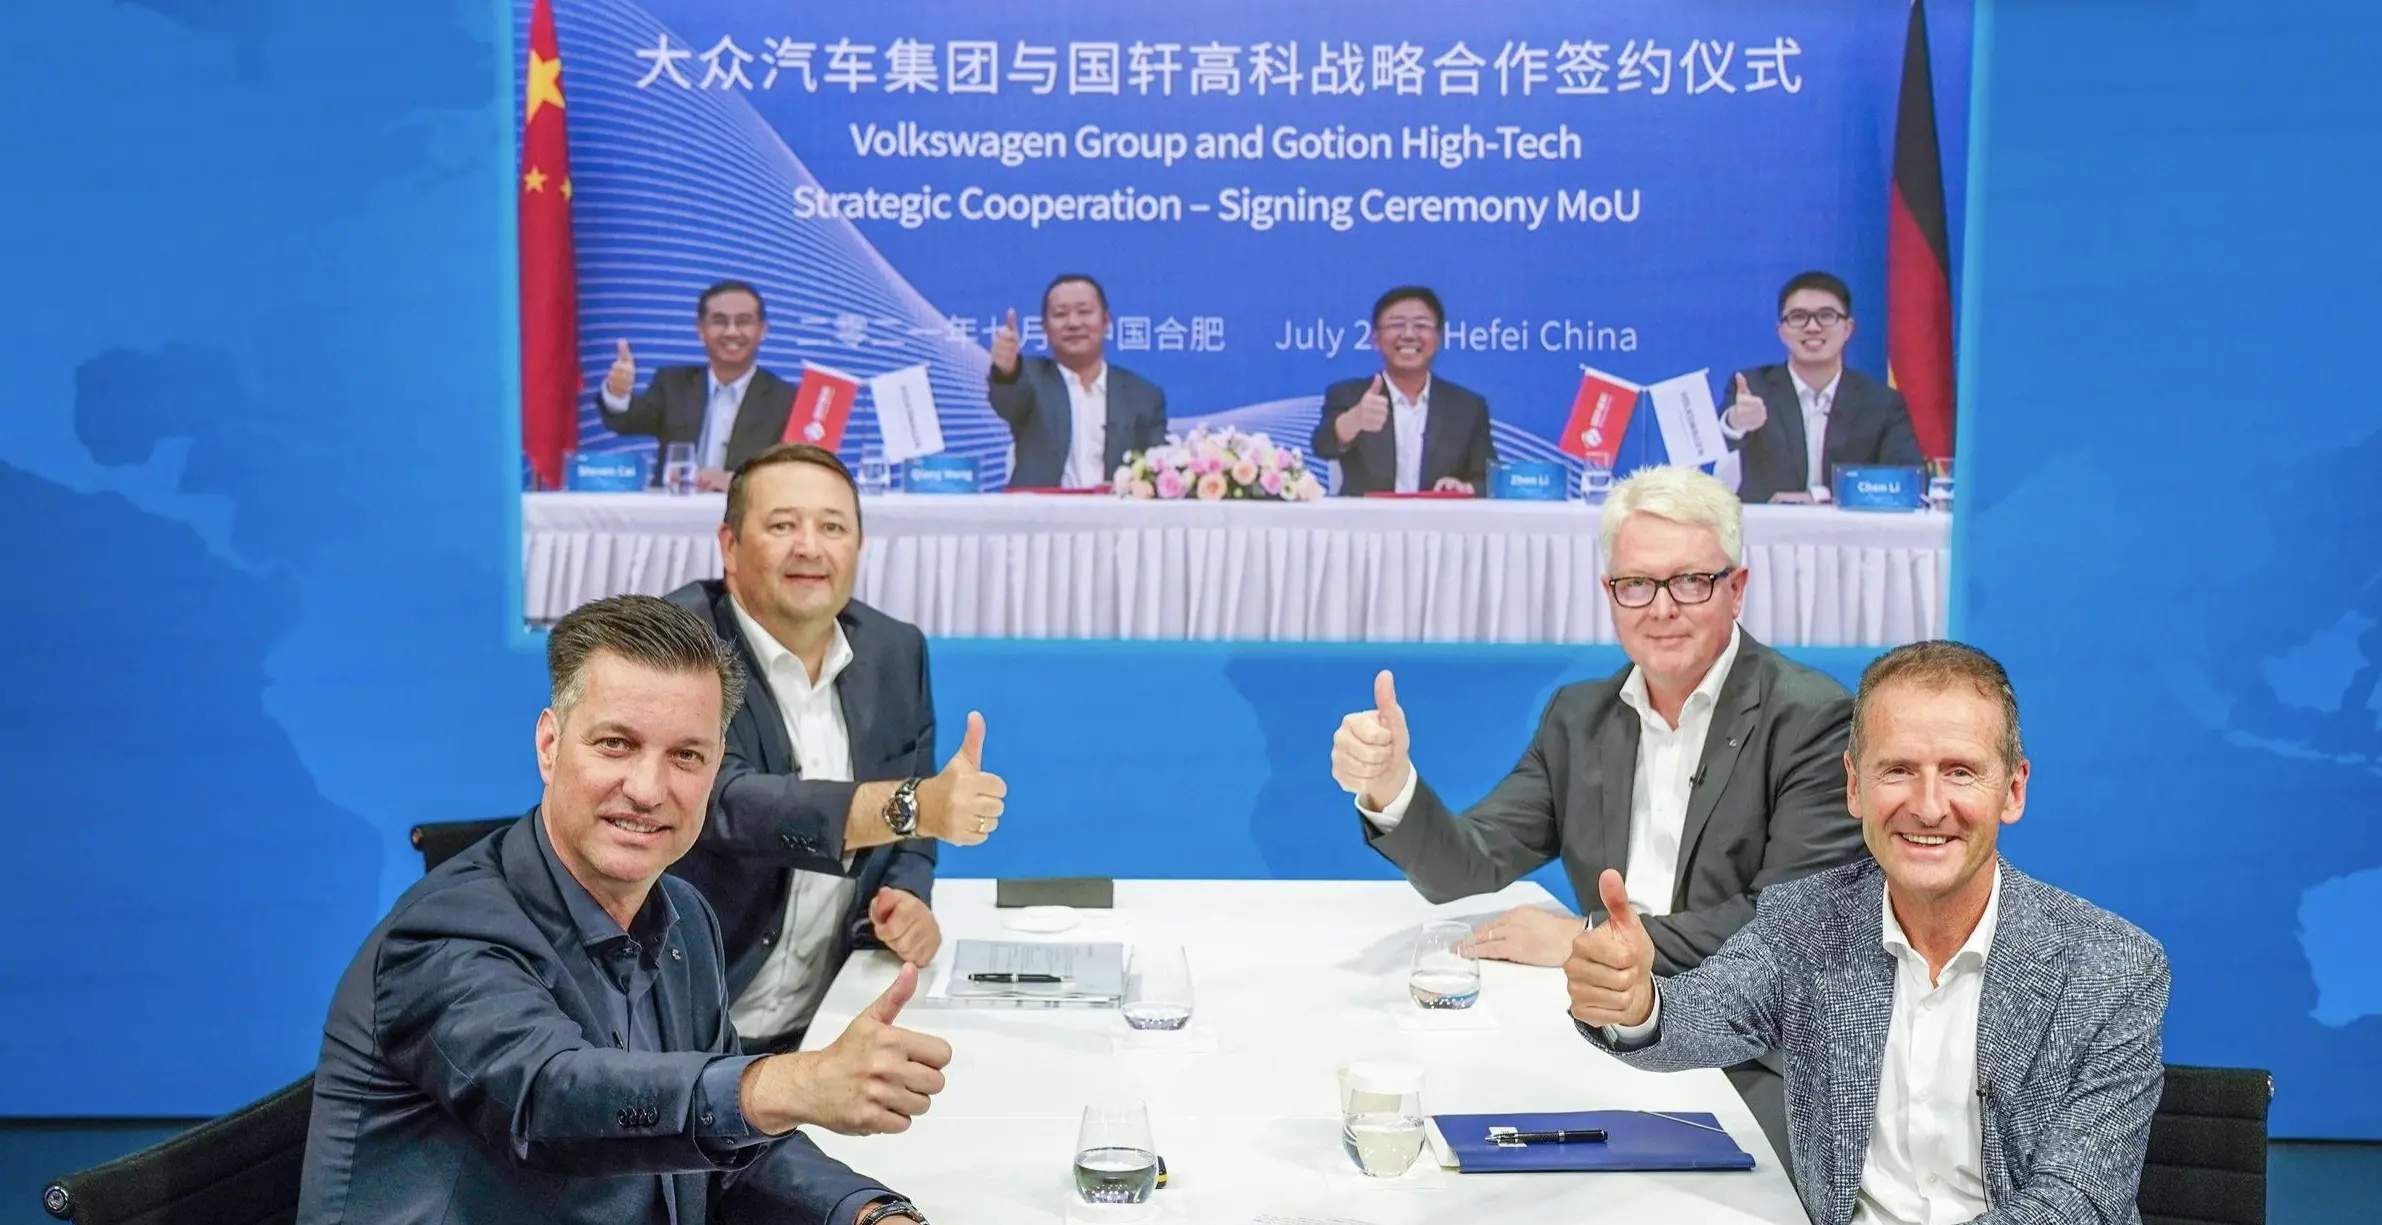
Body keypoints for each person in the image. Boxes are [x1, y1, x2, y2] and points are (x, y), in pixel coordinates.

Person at [300, 595, 943, 1224]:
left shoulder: (686, 917)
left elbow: (733, 1149)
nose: (647, 789)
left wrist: (868, 1213)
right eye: (615, 744)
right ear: (549, 745)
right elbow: (554, 1100)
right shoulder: (443, 934)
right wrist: (788, 1084)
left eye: (686, 756)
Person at [1329, 465, 1864, 1161]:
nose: (1661, 608)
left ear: (1737, 589)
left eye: (1690, 581)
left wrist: (1584, 939)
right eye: (1636, 584)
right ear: (1610, 593)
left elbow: (1791, 928)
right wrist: (1391, 785)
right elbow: (1467, 862)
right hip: (1594, 1036)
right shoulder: (1579, 717)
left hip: (1744, 1057)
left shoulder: (1813, 719)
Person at [1569, 640, 2170, 1225]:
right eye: (1898, 770)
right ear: (1855, 787)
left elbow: (2078, 1204)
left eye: (1960, 772)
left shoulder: (2113, 969)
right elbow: (1701, 1017)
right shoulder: (1806, 920)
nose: (1928, 807)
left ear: (2012, 790)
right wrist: (1635, 1003)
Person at [666, 443, 1004, 1055]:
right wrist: (914, 806)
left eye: (833, 527)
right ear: (730, 546)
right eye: (782, 526)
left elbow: (911, 831)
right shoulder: (674, 647)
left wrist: (906, 899)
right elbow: (727, 805)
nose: (810, 547)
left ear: (858, 546)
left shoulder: (894, 652)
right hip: (680, 1033)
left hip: (829, 1026)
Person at [1719, 270, 1924, 504]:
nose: (1813, 327)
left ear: (1848, 329)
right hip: (1766, 524)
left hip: (1849, 526)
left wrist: (1820, 497)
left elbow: (1907, 481)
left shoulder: (1881, 402)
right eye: (1798, 317)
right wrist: (1736, 422)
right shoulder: (1753, 388)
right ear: (1781, 331)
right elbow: (1712, 449)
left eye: (1826, 316)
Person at [601, 280, 798, 491]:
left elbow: (797, 474)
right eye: (719, 321)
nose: (731, 332)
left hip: (746, 509)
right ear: (700, 329)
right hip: (674, 509)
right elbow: (627, 423)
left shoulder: (787, 399)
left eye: (743, 321)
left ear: (762, 330)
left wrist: (737, 482)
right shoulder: (672, 384)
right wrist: (617, 393)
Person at [986, 273, 1168, 489]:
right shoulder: (1029, 377)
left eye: (1084, 312)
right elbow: (1009, 400)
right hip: (1042, 509)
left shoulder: (1143, 396)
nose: (1073, 323)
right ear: (1045, 328)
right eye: (1060, 314)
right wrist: (1006, 371)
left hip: (1116, 509)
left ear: (1106, 321)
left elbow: (1155, 471)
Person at [1310, 285, 1495, 495]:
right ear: (1375, 338)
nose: (1408, 334)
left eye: (1421, 325)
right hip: (1367, 516)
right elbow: (1322, 445)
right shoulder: (1349, 395)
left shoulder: (1467, 407)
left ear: (1438, 338)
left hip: (1439, 516)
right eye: (1396, 324)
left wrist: (1464, 488)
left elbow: (1489, 479)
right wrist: (1355, 419)